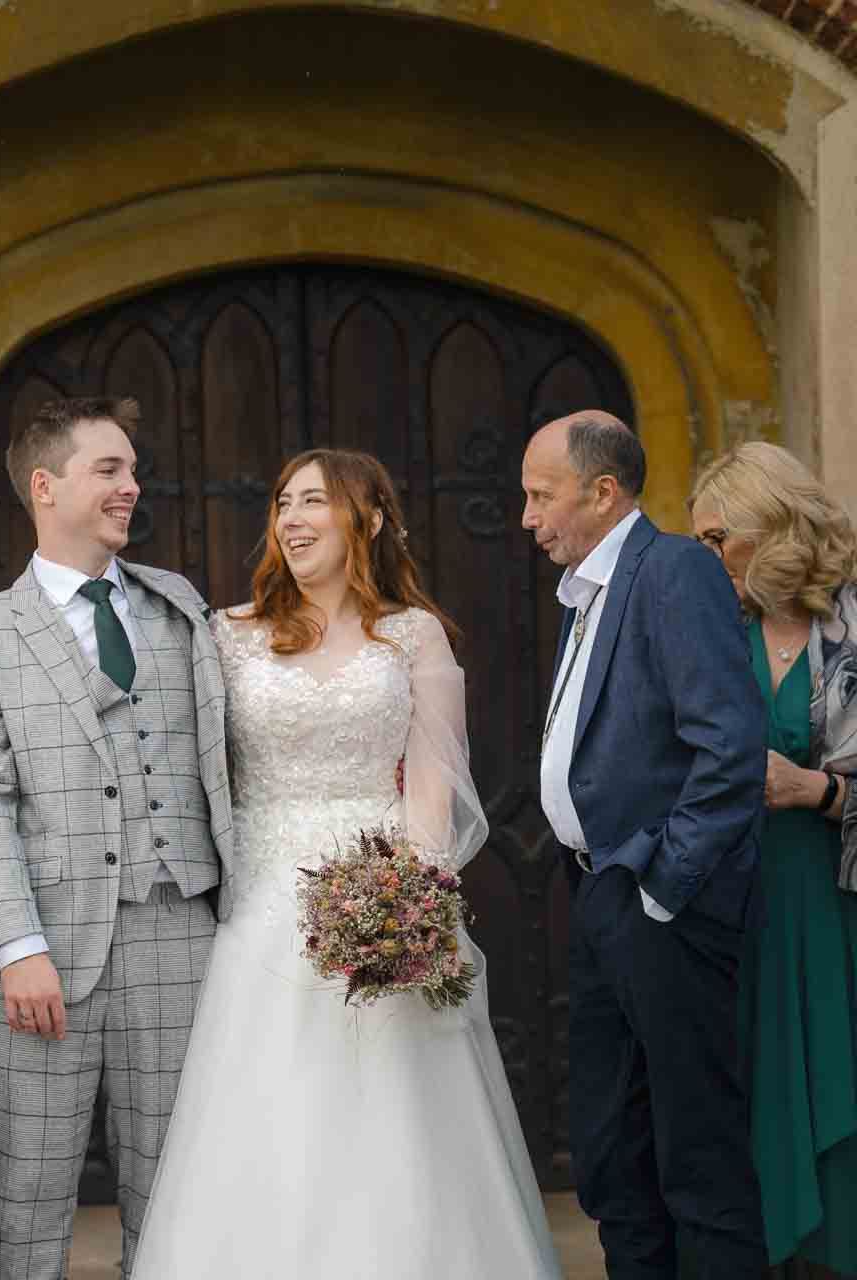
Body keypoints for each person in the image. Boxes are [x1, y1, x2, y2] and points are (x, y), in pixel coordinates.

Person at [129, 448, 560, 1276]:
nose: (290, 518)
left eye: (314, 501)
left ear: (365, 518)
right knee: (267, 1117)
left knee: (393, 1122)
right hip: (259, 906)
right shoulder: (229, 636)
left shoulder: (413, 635)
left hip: (379, 893)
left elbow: (431, 790)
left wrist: (408, 907)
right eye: (283, 502)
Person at [0, 396, 225, 1277]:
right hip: (43, 948)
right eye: (111, 471)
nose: (132, 487)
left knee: (177, 1196)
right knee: (27, 1198)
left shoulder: (180, 609)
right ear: (45, 486)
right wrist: (16, 945)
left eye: (132, 471)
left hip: (182, 930)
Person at [522, 410, 766, 1278]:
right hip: (600, 898)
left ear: (603, 490)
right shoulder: (587, 594)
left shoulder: (674, 572)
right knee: (612, 1157)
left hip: (661, 905)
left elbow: (730, 749)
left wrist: (666, 885)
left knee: (696, 1155)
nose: (527, 516)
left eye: (540, 496)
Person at [691, 440, 857, 1278]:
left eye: (720, 537)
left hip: (838, 911)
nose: (709, 557)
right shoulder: (717, 631)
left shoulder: (853, 628)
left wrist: (821, 794)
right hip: (737, 916)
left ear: (774, 525)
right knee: (751, 1120)